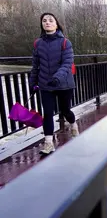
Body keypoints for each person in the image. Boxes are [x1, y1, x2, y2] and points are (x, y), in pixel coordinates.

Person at [29, 12, 78, 155]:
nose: (47, 22)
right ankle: (49, 143)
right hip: (45, 85)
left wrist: (57, 77)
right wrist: (32, 83)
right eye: (44, 21)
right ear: (42, 24)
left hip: (64, 84)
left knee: (65, 110)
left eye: (50, 20)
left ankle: (73, 124)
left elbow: (67, 63)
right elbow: (35, 66)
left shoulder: (65, 42)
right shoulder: (38, 43)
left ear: (56, 24)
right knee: (48, 113)